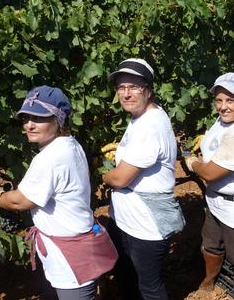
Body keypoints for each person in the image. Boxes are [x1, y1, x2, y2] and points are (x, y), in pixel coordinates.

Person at [0, 85, 117, 300]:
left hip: (70, 259)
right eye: (26, 117)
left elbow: (20, 201)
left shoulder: (50, 158)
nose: (29, 125)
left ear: (59, 120)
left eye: (39, 118)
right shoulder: (71, 144)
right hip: (76, 247)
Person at [102, 58, 185, 300]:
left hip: (145, 226)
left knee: (149, 287)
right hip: (130, 221)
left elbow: (120, 179)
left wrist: (105, 175)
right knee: (128, 276)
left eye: (134, 87)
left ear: (148, 90)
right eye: (121, 88)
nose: (126, 94)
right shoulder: (142, 118)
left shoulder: (150, 126)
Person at [184, 73, 234, 300]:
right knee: (211, 244)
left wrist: (193, 162)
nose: (223, 106)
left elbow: (209, 173)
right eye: (219, 100)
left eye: (230, 100)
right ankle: (209, 281)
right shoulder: (229, 119)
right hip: (218, 201)